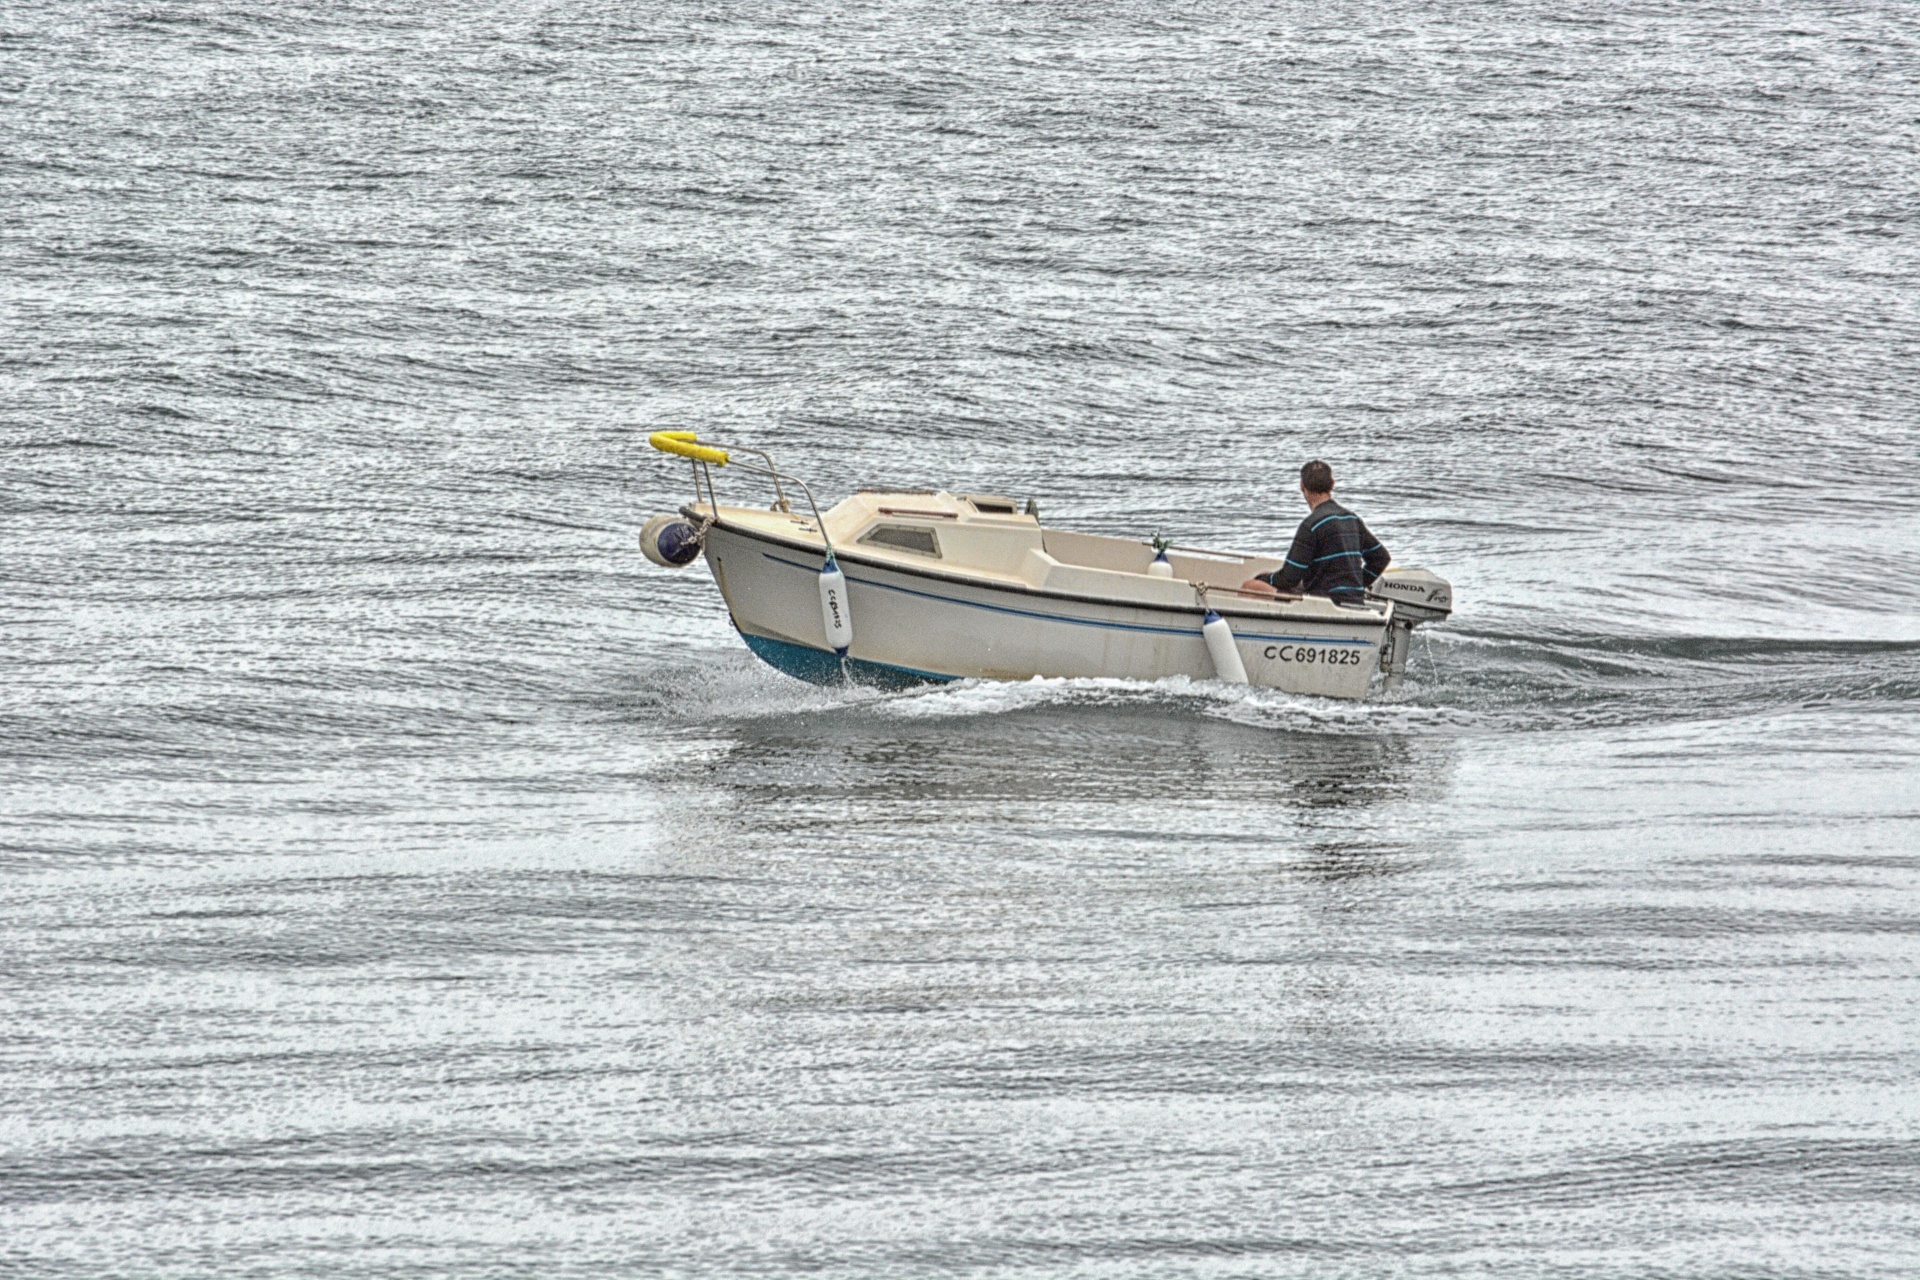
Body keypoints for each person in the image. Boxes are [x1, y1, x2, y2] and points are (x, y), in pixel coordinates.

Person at [1239, 460, 1389, 605]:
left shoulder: (1311, 525)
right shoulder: (1351, 518)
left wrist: (1263, 578)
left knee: (1250, 587)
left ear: (1302, 486)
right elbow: (1380, 558)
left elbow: (1289, 578)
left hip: (1323, 602)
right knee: (1269, 577)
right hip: (1354, 600)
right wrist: (1356, 586)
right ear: (1332, 484)